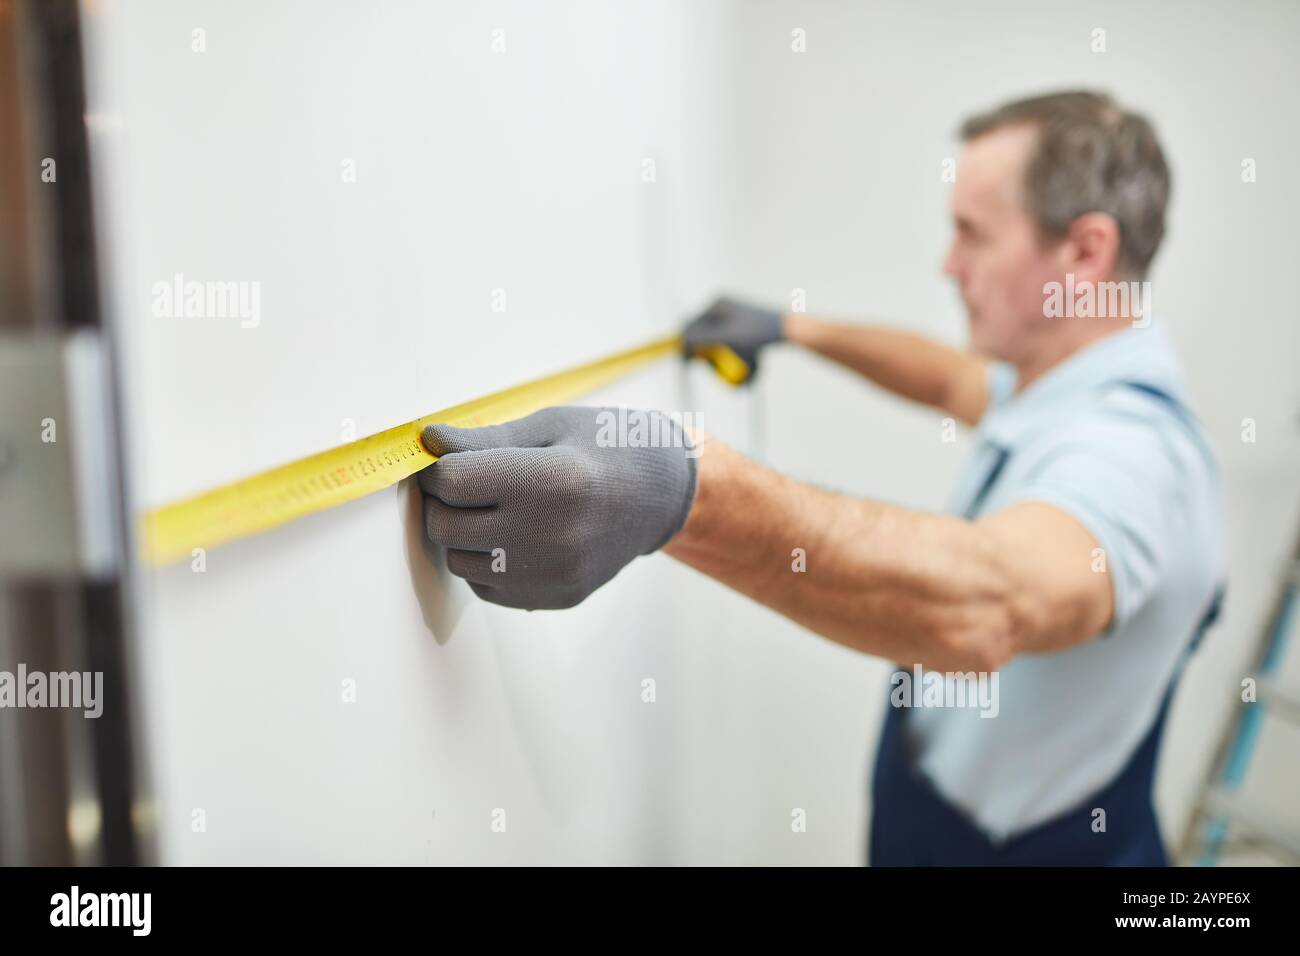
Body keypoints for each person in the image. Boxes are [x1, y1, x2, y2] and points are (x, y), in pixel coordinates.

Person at [416, 91, 1224, 865]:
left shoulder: (1135, 453)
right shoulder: (1058, 382)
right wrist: (794, 328)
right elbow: (949, 379)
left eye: (973, 234)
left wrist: (682, 494)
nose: (949, 265)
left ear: (1084, 254)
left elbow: (991, 605)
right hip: (934, 822)